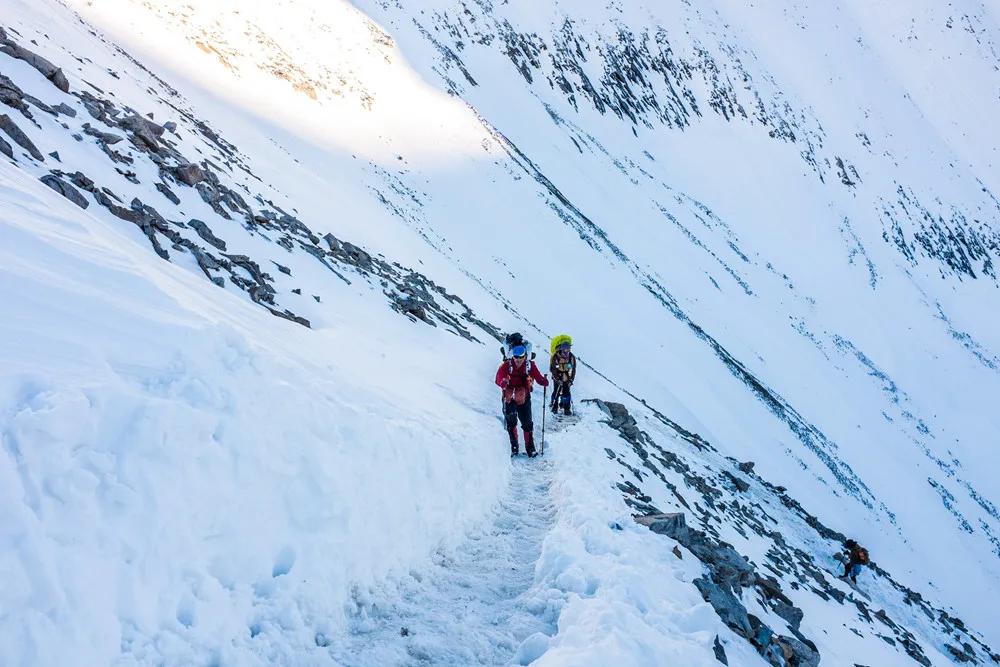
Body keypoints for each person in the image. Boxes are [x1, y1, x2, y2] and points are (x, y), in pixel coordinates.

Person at [495, 343, 549, 457]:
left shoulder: (530, 365)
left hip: (523, 395)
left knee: (527, 423)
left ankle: (530, 448)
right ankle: (514, 447)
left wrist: (543, 381)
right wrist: (502, 382)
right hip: (510, 396)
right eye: (516, 357)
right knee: (511, 421)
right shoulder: (506, 365)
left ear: (525, 356)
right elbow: (498, 378)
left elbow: (538, 377)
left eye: (520, 357)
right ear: (512, 356)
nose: (518, 359)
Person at [549, 335, 576, 415]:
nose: (567, 349)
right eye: (565, 347)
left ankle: (566, 408)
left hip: (567, 377)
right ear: (561, 347)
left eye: (568, 347)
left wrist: (571, 380)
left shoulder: (571, 357)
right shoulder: (556, 356)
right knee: (556, 391)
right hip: (558, 377)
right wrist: (557, 379)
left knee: (566, 392)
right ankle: (554, 406)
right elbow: (553, 369)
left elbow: (572, 369)